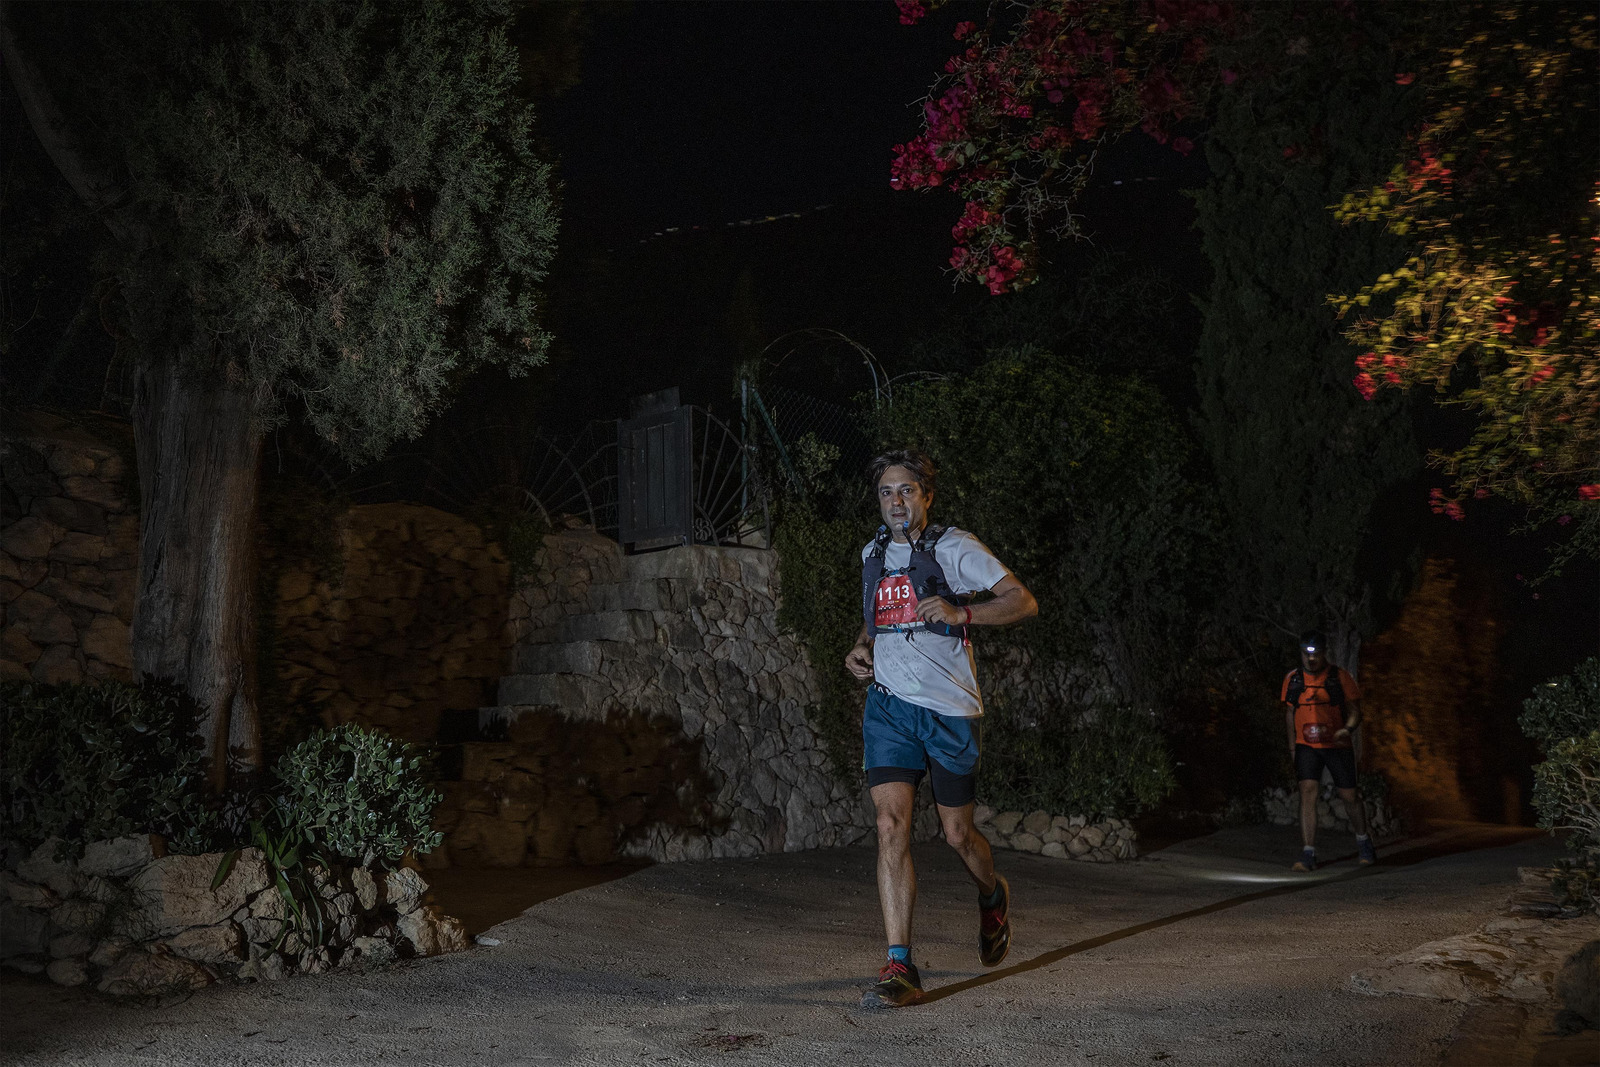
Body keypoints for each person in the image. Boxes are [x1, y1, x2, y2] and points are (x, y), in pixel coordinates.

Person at [844, 449, 1038, 1008]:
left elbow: (1023, 601)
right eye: (886, 492)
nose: (896, 501)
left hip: (948, 711)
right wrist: (860, 649)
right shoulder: (872, 553)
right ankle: (900, 966)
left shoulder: (955, 547)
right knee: (889, 825)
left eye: (906, 490)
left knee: (957, 835)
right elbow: (875, 620)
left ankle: (992, 894)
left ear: (926, 496)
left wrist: (962, 613)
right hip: (888, 708)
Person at [1282, 630, 1377, 871]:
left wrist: (1347, 729)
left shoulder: (1340, 677)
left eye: (1315, 654)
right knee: (1307, 792)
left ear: (1324, 653)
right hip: (1306, 746)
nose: (1311, 659)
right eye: (1306, 654)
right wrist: (1293, 747)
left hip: (1337, 745)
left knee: (1349, 797)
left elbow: (1355, 711)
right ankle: (1308, 853)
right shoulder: (1293, 679)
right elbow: (1290, 713)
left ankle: (1364, 842)